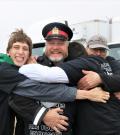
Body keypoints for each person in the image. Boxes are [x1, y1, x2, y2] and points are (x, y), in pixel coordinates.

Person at [9, 23, 119, 135]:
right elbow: (16, 96)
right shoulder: (33, 66)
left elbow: (109, 85)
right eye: (51, 43)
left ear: (67, 45)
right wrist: (43, 114)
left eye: (60, 43)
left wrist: (105, 80)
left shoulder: (81, 66)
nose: (55, 47)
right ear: (45, 45)